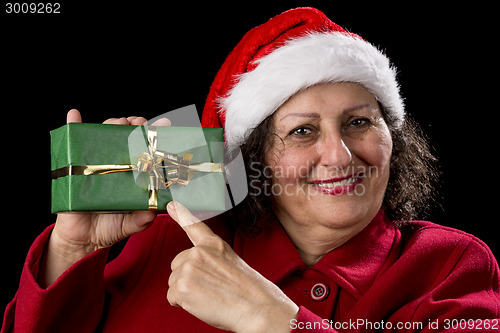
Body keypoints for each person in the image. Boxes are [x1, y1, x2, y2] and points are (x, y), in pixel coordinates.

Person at [2, 7, 499, 333]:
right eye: (303, 131)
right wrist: (73, 249)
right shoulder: (170, 239)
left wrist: (273, 319)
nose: (341, 155)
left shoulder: (449, 266)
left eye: (360, 123)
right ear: (256, 156)